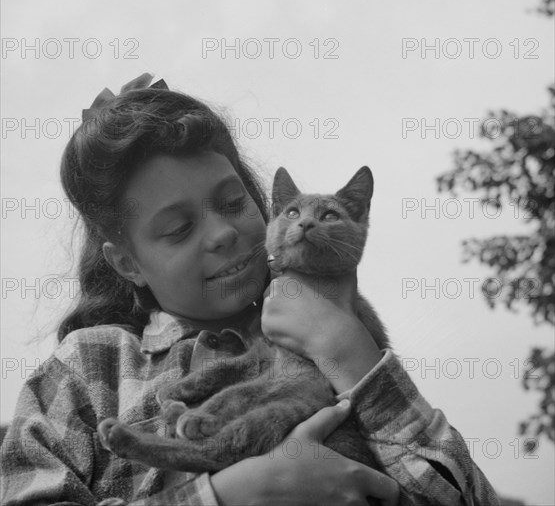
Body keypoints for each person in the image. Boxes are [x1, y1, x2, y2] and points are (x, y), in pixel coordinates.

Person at [0, 74, 500, 506]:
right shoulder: (87, 371)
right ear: (128, 263)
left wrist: (349, 354)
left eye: (234, 202)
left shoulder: (337, 338)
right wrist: (229, 496)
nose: (220, 234)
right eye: (178, 228)